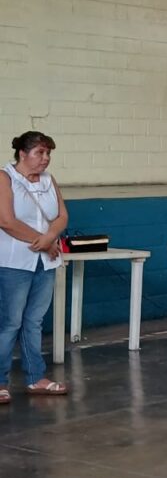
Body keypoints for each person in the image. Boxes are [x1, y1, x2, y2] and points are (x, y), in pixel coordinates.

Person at [0, 131, 69, 403]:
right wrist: (44, 241)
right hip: (14, 262)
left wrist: (50, 237)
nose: (45, 158)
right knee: (10, 322)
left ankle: (35, 377)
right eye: (39, 153)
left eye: (48, 153)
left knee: (34, 321)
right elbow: (6, 221)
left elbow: (62, 216)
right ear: (22, 154)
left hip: (45, 262)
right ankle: (0, 380)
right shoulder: (5, 178)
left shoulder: (49, 180)